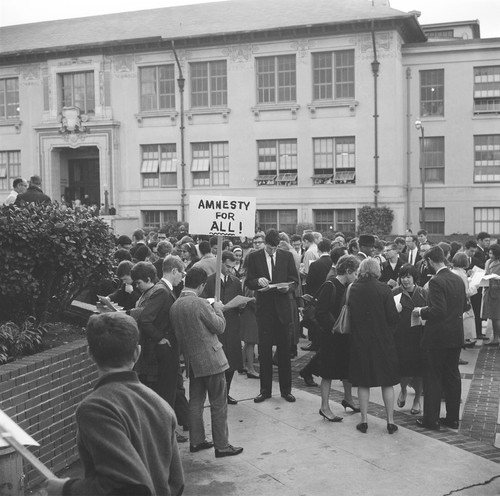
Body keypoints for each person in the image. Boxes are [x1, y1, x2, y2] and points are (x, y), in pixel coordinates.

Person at [46, 312, 184, 496]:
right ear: (137, 352)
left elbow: (127, 487)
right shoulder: (160, 404)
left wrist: (66, 489)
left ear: (90, 354)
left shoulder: (95, 408)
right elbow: (177, 483)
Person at [170, 267, 243, 458]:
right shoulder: (200, 303)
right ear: (202, 285)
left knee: (196, 402)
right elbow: (219, 327)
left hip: (193, 361)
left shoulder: (175, 305)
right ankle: (222, 445)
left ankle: (197, 440)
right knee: (219, 403)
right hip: (211, 359)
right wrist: (218, 310)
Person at [413, 245, 468, 431]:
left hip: (438, 337)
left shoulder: (436, 281)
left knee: (433, 377)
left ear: (430, 261)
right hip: (455, 334)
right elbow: (465, 306)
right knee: (452, 376)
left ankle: (431, 419)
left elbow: (438, 310)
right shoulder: (458, 279)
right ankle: (453, 418)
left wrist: (420, 311)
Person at [246, 229, 299, 403]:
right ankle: (265, 390)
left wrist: (288, 287)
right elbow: (249, 281)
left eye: (275, 248)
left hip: (282, 308)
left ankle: (286, 390)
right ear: (264, 244)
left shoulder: (286, 256)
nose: (272, 251)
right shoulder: (254, 257)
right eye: (269, 248)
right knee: (264, 352)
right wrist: (257, 281)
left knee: (284, 352)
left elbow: (294, 280)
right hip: (265, 310)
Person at [348, 258, 400, 434]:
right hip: (383, 342)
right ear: (377, 270)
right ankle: (390, 421)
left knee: (363, 383)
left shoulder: (353, 288)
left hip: (360, 342)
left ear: (361, 269)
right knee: (387, 383)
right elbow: (393, 317)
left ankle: (363, 420)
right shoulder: (384, 289)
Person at [130, 258, 184, 413]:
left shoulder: (161, 289)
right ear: (174, 271)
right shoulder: (162, 290)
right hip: (164, 350)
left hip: (161, 350)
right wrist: (160, 337)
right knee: (166, 393)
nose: (182, 277)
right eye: (182, 273)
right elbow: (145, 319)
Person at [316, 255, 360, 421]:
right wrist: (333, 328)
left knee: (347, 370)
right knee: (327, 373)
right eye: (355, 273)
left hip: (344, 335)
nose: (356, 277)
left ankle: (348, 399)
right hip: (331, 336)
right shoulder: (331, 285)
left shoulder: (348, 286)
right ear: (347, 271)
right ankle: (324, 406)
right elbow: (320, 312)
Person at [201, 250, 244, 404]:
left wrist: (242, 304)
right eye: (227, 266)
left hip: (232, 324)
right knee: (219, 361)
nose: (230, 270)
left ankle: (226, 393)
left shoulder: (236, 281)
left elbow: (239, 300)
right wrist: (214, 304)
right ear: (220, 263)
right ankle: (218, 395)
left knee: (231, 361)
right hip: (216, 324)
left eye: (232, 267)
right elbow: (203, 300)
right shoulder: (210, 281)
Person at [392, 264, 427, 415]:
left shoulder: (423, 293)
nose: (405, 280)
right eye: (403, 277)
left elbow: (431, 312)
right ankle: (403, 390)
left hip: (419, 337)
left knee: (419, 372)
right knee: (403, 371)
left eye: (408, 276)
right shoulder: (395, 292)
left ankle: (417, 399)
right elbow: (388, 315)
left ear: (414, 278)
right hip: (401, 337)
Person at [471, 232, 490, 339]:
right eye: (486, 240)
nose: (488, 243)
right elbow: (480, 266)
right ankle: (477, 332)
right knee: (477, 309)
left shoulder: (483, 251)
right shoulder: (478, 252)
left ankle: (478, 332)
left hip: (480, 283)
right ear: (480, 240)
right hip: (477, 283)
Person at [481, 243, 500, 346]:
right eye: (489, 253)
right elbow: (486, 272)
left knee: (497, 317)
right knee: (492, 317)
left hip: (497, 292)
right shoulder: (487, 262)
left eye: (492, 254)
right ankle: (496, 338)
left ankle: (498, 338)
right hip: (488, 290)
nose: (490, 256)